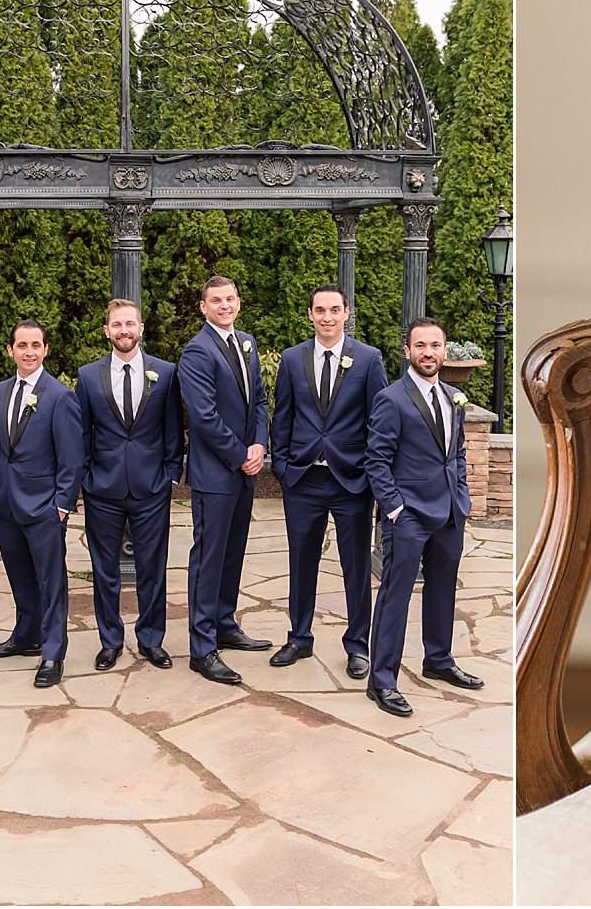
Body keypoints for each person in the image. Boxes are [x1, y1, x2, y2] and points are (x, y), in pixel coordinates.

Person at [363, 317, 484, 716]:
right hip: (409, 515)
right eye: (420, 346)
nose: (428, 353)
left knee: (443, 590)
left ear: (445, 350)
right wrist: (395, 507)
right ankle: (382, 681)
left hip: (450, 512)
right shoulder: (392, 398)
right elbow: (376, 459)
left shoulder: (452, 397)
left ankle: (439, 660)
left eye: (435, 345)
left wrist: (461, 496)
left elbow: (458, 453)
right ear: (407, 351)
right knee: (395, 596)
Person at [268, 285, 389, 680]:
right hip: (302, 479)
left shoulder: (368, 360)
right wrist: (283, 469)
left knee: (355, 566)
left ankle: (357, 645)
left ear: (346, 313)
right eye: (320, 310)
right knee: (301, 561)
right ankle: (299, 638)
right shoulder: (291, 359)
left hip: (351, 480)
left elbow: (379, 422)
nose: (327, 317)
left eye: (334, 310)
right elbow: (281, 418)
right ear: (310, 314)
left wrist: (370, 474)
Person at [75, 298, 184, 671]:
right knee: (104, 569)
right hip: (102, 487)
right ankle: (110, 640)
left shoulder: (166, 373)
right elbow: (82, 432)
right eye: (116, 325)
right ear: (107, 331)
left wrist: (171, 471)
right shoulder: (88, 376)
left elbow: (173, 427)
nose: (124, 330)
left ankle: (151, 639)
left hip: (152, 486)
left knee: (153, 567)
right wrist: (86, 477)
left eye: (130, 324)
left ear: (141, 328)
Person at [178, 275, 272, 684]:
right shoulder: (197, 352)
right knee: (209, 557)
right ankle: (202, 647)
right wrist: (239, 456)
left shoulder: (246, 343)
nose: (224, 305)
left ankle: (225, 623)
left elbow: (261, 401)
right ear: (203, 307)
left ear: (238, 302)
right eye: (216, 300)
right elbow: (204, 417)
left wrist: (259, 445)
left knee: (233, 552)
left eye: (230, 298)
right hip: (216, 473)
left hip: (244, 468)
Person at [0, 320, 83, 688]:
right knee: (19, 576)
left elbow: (72, 458)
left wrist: (61, 505)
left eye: (35, 345)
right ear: (10, 350)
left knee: (50, 581)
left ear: (45, 350)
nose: (29, 351)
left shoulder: (59, 396)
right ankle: (26, 635)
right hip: (6, 503)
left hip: (44, 506)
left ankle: (53, 651)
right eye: (22, 345)